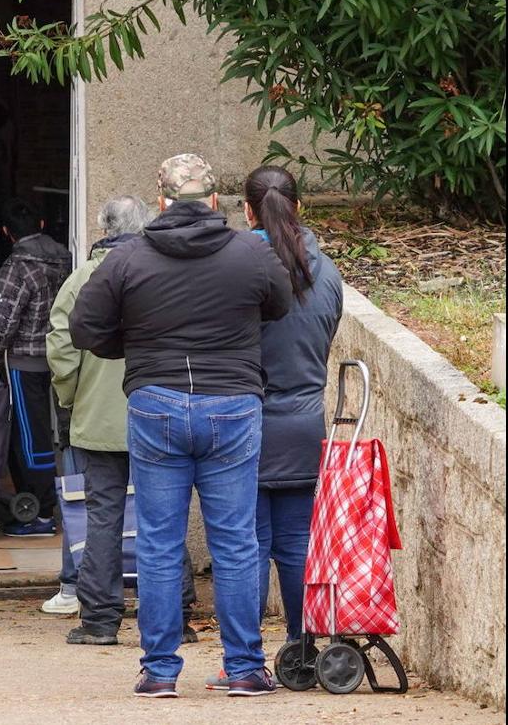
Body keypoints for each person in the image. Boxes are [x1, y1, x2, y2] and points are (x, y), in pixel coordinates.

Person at [70, 154, 293, 698]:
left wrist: (135, 350)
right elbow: (280, 305)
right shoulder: (249, 252)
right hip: (233, 405)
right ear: (214, 200)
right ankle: (244, 667)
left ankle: (160, 671)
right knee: (237, 541)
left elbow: (83, 328)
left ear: (162, 199)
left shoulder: (128, 259)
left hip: (155, 404)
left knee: (159, 542)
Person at [205, 166, 343, 689]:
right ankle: (301, 647)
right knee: (296, 544)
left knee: (243, 548)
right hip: (306, 422)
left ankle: (242, 660)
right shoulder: (326, 272)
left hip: (245, 422)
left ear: (246, 210)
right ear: (299, 207)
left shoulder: (236, 268)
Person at [44, 196, 201, 644]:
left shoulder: (79, 281)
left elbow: (61, 349)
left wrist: (74, 399)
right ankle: (175, 616)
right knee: (163, 517)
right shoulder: (161, 274)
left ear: (101, 226)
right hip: (161, 410)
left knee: (103, 517)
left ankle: (99, 620)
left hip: (98, 419)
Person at [0, 199, 70, 537]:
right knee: (64, 433)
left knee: (29, 438)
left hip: (24, 363)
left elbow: (3, 323)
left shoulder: (16, 266)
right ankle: (68, 503)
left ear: (7, 233)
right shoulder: (66, 257)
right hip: (62, 358)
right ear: (43, 224)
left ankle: (41, 513)